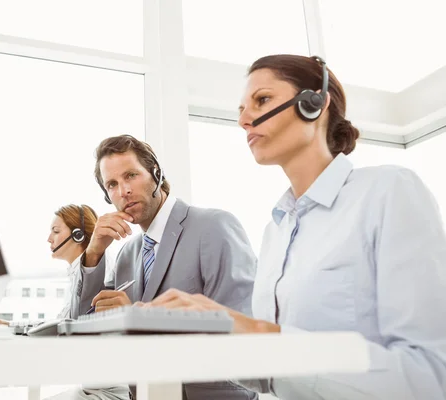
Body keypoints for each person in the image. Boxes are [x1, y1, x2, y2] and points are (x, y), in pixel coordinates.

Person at [142, 54, 446, 400]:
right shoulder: (278, 229)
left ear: (316, 103)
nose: (244, 120)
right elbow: (275, 375)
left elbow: (431, 377)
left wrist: (256, 333)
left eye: (262, 100)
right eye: (241, 108)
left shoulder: (388, 192)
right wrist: (205, 337)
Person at [73, 134, 258, 400]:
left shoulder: (214, 226)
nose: (123, 191)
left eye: (131, 176)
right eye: (112, 184)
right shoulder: (128, 252)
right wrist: (93, 252)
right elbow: (84, 325)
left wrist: (138, 319)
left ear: (156, 174)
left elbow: (239, 326)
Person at [0, 204, 130, 400]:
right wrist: (12, 325)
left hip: (109, 392)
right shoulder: (77, 274)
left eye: (56, 231)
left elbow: (69, 325)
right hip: (92, 388)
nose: (49, 238)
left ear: (77, 235)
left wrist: (14, 327)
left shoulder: (97, 272)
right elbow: (61, 323)